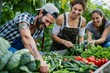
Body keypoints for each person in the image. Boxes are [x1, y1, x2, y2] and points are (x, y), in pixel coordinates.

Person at [0, 3, 59, 73]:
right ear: (41, 12)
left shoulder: (40, 30)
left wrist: (39, 57)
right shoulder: (25, 17)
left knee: (41, 54)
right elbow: (26, 38)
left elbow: (31, 48)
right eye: (47, 21)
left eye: (50, 23)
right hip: (3, 48)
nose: (47, 25)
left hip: (15, 52)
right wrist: (40, 60)